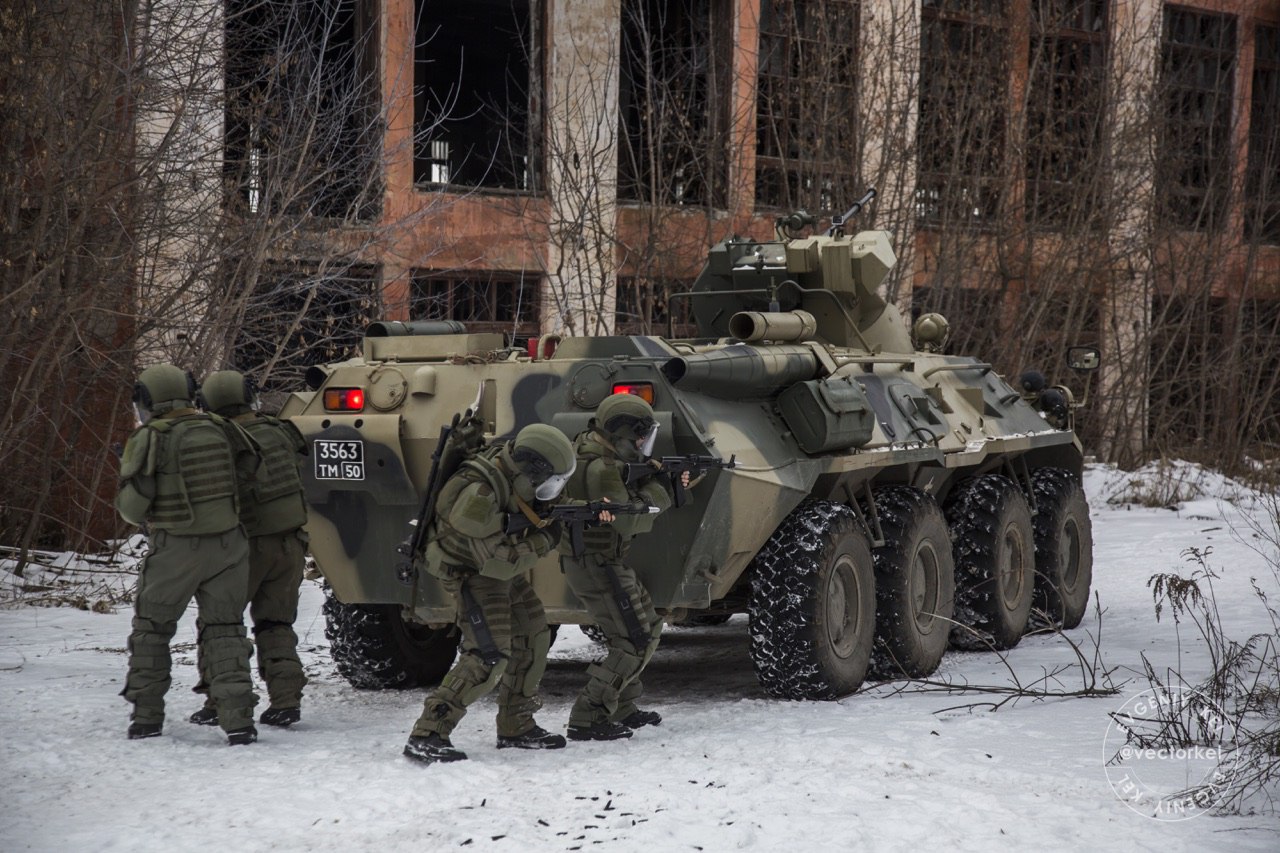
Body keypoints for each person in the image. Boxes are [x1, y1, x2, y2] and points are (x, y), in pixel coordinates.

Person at [402, 424, 579, 765]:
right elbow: (502, 561)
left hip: (497, 570)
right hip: (474, 573)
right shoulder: (478, 498)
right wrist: (547, 538)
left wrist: (574, 510)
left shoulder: (511, 471)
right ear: (531, 471)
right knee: (488, 655)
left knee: (533, 635)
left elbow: (542, 500)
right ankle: (428, 732)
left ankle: (516, 725)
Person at [116, 363, 259, 745]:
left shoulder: (152, 437)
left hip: (177, 547)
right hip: (229, 544)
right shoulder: (220, 426)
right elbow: (250, 468)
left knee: (153, 629)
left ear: (147, 399)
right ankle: (239, 721)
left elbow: (131, 510)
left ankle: (146, 718)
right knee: (226, 630)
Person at [560, 392, 687, 742]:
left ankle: (623, 704)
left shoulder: (588, 448)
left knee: (649, 627)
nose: (644, 443)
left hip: (603, 562)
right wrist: (659, 487)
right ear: (622, 433)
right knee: (633, 640)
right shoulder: (602, 467)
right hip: (596, 564)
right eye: (640, 436)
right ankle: (588, 716)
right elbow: (632, 521)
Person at [188, 370, 309, 729]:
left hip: (245, 548)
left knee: (220, 624)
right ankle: (286, 701)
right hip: (289, 544)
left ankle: (218, 702)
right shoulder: (279, 430)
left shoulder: (220, 438)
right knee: (276, 622)